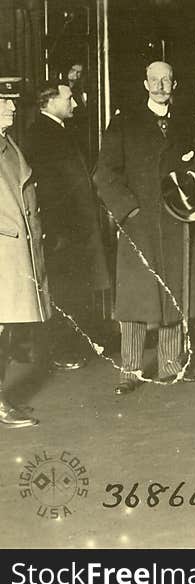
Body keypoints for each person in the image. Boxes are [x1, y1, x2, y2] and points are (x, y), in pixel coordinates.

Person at [93, 61, 195, 395]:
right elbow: (105, 174)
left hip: (177, 221)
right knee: (135, 298)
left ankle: (170, 366)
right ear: (145, 84)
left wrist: (192, 179)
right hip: (139, 222)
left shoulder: (189, 123)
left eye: (167, 80)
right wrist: (128, 210)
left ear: (175, 84)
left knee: (174, 292)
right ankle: (129, 370)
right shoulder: (123, 122)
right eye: (154, 80)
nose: (161, 86)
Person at [23, 81, 110, 370]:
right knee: (61, 290)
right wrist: (56, 231)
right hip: (61, 231)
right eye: (69, 98)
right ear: (49, 102)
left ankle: (74, 346)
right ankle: (59, 352)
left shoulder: (60, 131)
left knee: (74, 289)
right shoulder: (40, 135)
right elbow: (44, 189)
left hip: (75, 230)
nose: (75, 104)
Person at [0, 76, 49, 428]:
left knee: (4, 329)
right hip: (3, 247)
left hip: (14, 250)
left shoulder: (8, 145)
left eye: (12, 101)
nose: (13, 107)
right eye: (4, 102)